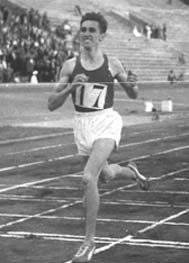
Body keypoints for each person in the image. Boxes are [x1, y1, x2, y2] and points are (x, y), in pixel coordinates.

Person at [47, 12, 149, 263]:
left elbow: (133, 94)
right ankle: (131, 171)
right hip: (82, 126)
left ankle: (88, 242)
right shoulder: (70, 66)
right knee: (106, 174)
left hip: (106, 122)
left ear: (101, 36)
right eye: (83, 30)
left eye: (92, 30)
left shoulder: (112, 64)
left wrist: (133, 84)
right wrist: (72, 87)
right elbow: (51, 104)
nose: (86, 34)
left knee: (88, 177)